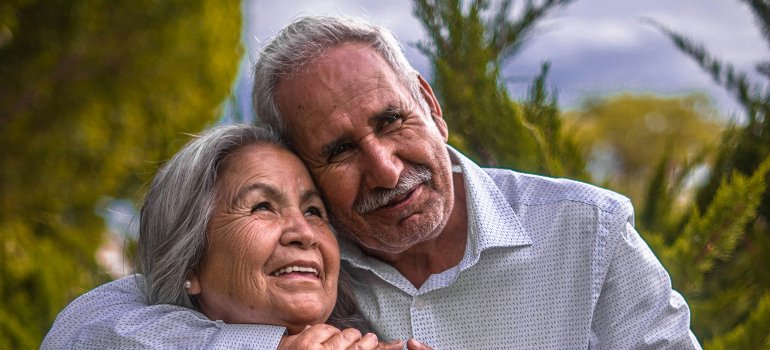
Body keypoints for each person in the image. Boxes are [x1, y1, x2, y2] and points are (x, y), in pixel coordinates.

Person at [44, 15, 702, 349]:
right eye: (338, 152)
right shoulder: (292, 276)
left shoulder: (589, 231)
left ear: (431, 104)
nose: (386, 169)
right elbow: (87, 329)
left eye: (393, 121)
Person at [42, 124, 401, 349]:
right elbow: (83, 335)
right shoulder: (124, 312)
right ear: (191, 263)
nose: (304, 233)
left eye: (314, 211)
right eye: (262, 206)